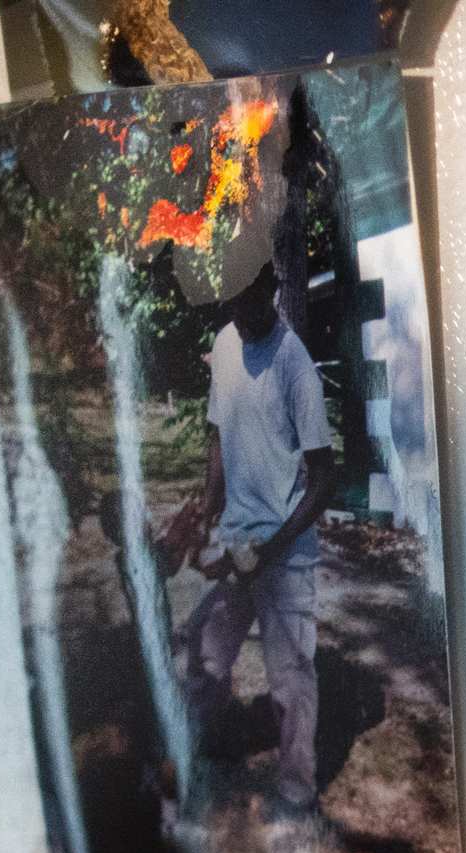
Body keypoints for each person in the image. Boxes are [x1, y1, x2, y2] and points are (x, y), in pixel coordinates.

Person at [185, 261, 338, 820]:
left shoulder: (296, 369)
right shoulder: (225, 345)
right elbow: (220, 436)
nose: (239, 317)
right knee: (205, 655)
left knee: (290, 680)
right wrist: (207, 506)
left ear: (271, 288)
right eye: (229, 305)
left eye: (247, 304)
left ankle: (297, 789)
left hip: (286, 551)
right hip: (235, 540)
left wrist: (270, 551)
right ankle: (207, 749)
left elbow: (325, 479)